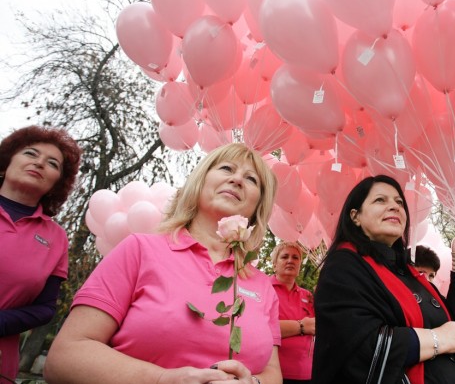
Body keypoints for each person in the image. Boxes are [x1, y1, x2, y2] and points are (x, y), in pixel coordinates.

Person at [44, 143, 282, 384]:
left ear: (258, 204)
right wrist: (161, 379)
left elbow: (273, 373)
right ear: (200, 181)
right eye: (227, 168)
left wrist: (253, 382)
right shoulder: (139, 249)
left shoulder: (263, 285)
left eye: (251, 179)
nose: (238, 179)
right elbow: (65, 357)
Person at [312, 174, 455, 384]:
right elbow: (358, 347)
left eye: (399, 202)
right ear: (355, 216)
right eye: (380, 200)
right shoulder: (343, 267)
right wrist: (436, 339)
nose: (394, 206)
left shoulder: (408, 271)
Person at [0, 125, 82, 383]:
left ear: (56, 184)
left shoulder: (56, 237)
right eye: (30, 153)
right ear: (5, 164)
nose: (39, 163)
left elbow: (45, 309)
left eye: (52, 163)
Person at [413, 245, 455, 379]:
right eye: (421, 272)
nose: (426, 279)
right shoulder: (398, 299)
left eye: (431, 275)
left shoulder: (439, 301)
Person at [270, 242, 315, 384]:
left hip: (306, 374)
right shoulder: (263, 289)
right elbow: (260, 328)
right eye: (284, 257)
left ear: (300, 265)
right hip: (273, 374)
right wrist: (301, 326)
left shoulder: (308, 295)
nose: (290, 260)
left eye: (295, 258)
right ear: (274, 264)